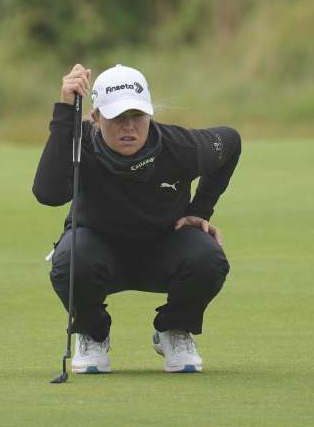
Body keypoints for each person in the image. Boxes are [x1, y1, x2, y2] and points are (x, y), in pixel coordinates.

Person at [33, 64, 240, 374]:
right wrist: (64, 112)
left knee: (208, 256)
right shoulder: (81, 146)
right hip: (96, 249)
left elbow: (230, 141)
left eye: (137, 116)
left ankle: (174, 330)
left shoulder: (180, 147)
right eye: (117, 118)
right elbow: (48, 193)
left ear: (150, 114)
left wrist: (200, 211)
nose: (128, 127)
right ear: (96, 117)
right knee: (70, 260)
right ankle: (92, 333)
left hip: (165, 245)